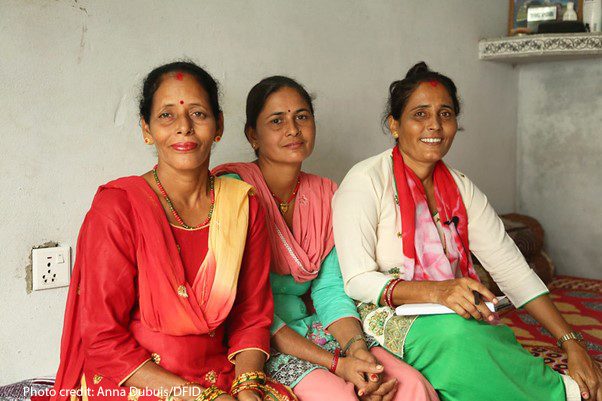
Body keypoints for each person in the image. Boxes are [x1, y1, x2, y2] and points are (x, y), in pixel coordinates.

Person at [332, 62, 602, 401]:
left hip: (452, 311)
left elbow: (512, 268)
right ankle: (567, 394)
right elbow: (356, 279)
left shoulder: (461, 188)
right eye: (420, 114)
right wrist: (437, 291)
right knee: (461, 341)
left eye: (445, 114)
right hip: (379, 316)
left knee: (487, 339)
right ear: (395, 125)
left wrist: (570, 342)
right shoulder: (365, 181)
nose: (434, 125)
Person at [50, 62, 295, 401]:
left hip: (220, 377)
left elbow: (251, 317)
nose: (184, 127)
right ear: (146, 129)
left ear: (219, 124)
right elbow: (103, 339)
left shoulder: (242, 206)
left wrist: (248, 387)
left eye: (198, 113)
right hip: (138, 381)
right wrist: (199, 396)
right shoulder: (119, 209)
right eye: (166, 116)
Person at [213, 76, 439, 401]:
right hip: (261, 340)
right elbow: (247, 309)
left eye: (302, 117)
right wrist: (337, 365)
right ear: (253, 136)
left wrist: (356, 351)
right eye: (277, 121)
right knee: (341, 396)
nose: (293, 129)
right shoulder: (233, 190)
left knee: (410, 384)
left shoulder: (326, 193)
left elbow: (330, 289)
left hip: (315, 327)